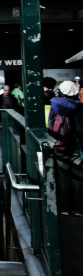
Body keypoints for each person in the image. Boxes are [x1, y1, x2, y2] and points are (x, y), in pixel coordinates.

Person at [47, 80, 83, 214]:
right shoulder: (79, 107)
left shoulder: (55, 104)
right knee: (78, 176)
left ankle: (64, 208)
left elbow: (50, 123)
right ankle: (78, 209)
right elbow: (80, 128)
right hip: (74, 146)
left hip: (58, 144)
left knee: (63, 176)